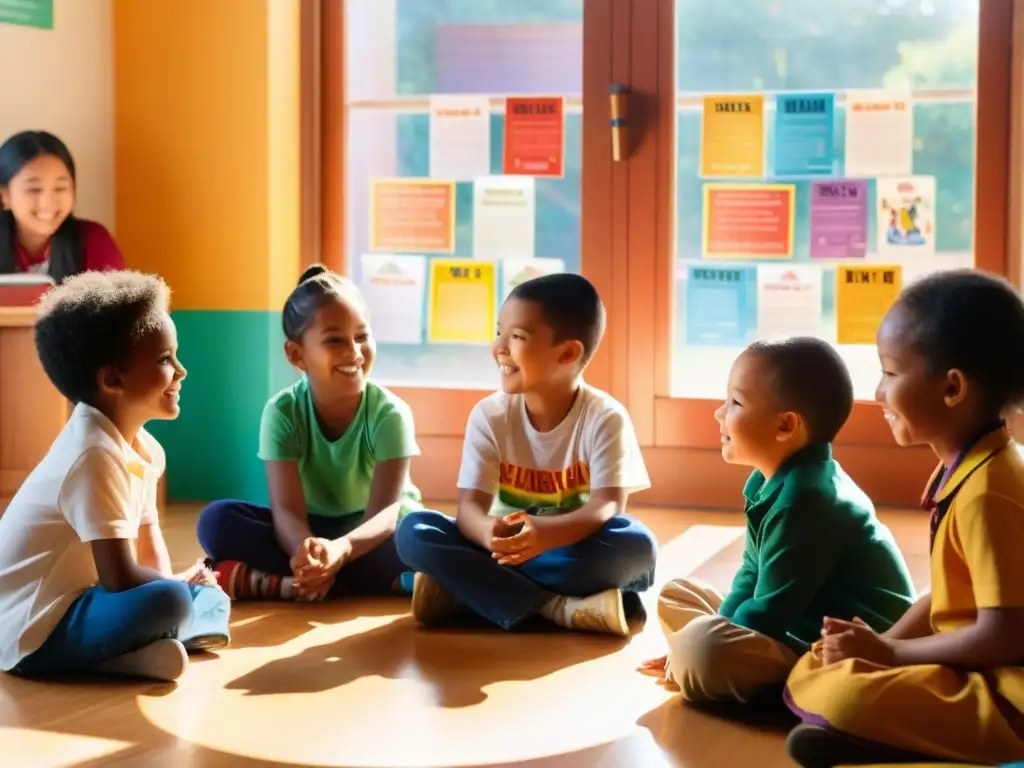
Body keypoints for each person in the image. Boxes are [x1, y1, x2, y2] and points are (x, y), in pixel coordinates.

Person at [785, 271, 1024, 767]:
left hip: (1007, 692)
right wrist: (880, 646)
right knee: (828, 665)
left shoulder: (989, 490)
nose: (877, 392)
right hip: (973, 664)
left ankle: (891, 739)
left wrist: (889, 658)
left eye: (890, 373)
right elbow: (951, 592)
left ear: (952, 387)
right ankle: (876, 735)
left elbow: (1006, 635)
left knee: (847, 693)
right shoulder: (974, 464)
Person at [638, 337, 915, 704]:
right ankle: (712, 657)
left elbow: (769, 612)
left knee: (704, 649)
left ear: (785, 426)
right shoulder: (768, 482)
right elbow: (752, 577)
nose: (719, 414)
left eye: (734, 403)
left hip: (851, 650)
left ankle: (790, 683)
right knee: (677, 594)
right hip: (798, 622)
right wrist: (718, 627)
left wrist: (699, 647)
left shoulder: (808, 499)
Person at [394, 273, 657, 637]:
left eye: (517, 337)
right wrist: (487, 534)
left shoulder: (604, 417)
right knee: (414, 531)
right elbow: (469, 509)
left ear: (567, 353)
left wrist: (547, 534)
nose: (499, 347)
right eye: (499, 331)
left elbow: (607, 507)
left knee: (636, 546)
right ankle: (559, 609)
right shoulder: (490, 415)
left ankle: (470, 592)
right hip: (498, 551)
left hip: (565, 550)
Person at [0, 271, 230, 683]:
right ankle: (126, 650)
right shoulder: (92, 453)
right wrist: (176, 587)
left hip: (84, 601)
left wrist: (182, 583)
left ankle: (134, 653)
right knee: (172, 600)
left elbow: (148, 549)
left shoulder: (144, 448)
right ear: (112, 379)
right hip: (30, 627)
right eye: (164, 359)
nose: (181, 371)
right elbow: (121, 576)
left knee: (205, 598)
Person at [197, 265, 419, 601]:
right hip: (310, 530)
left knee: (423, 537)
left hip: (375, 534)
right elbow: (285, 509)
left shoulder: (390, 413)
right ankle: (335, 580)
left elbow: (386, 514)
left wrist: (341, 550)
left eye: (361, 336)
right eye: (334, 340)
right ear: (296, 354)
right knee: (217, 521)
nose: (355, 352)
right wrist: (306, 551)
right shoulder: (282, 412)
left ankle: (276, 582)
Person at [0, 131, 124, 281]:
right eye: (34, 189)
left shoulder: (94, 241)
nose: (47, 203)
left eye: (60, 188)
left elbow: (118, 302)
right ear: (4, 195)